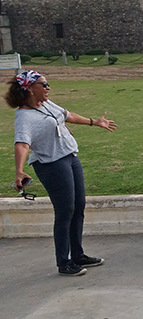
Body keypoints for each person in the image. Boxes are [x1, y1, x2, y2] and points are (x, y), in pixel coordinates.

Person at [8, 71, 116, 276]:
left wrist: (94, 122)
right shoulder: (24, 116)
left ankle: (78, 255)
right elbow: (22, 144)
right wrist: (19, 171)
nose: (48, 87)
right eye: (43, 84)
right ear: (30, 88)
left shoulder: (46, 104)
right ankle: (64, 262)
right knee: (65, 209)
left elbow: (68, 115)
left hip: (70, 157)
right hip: (51, 163)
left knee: (79, 205)